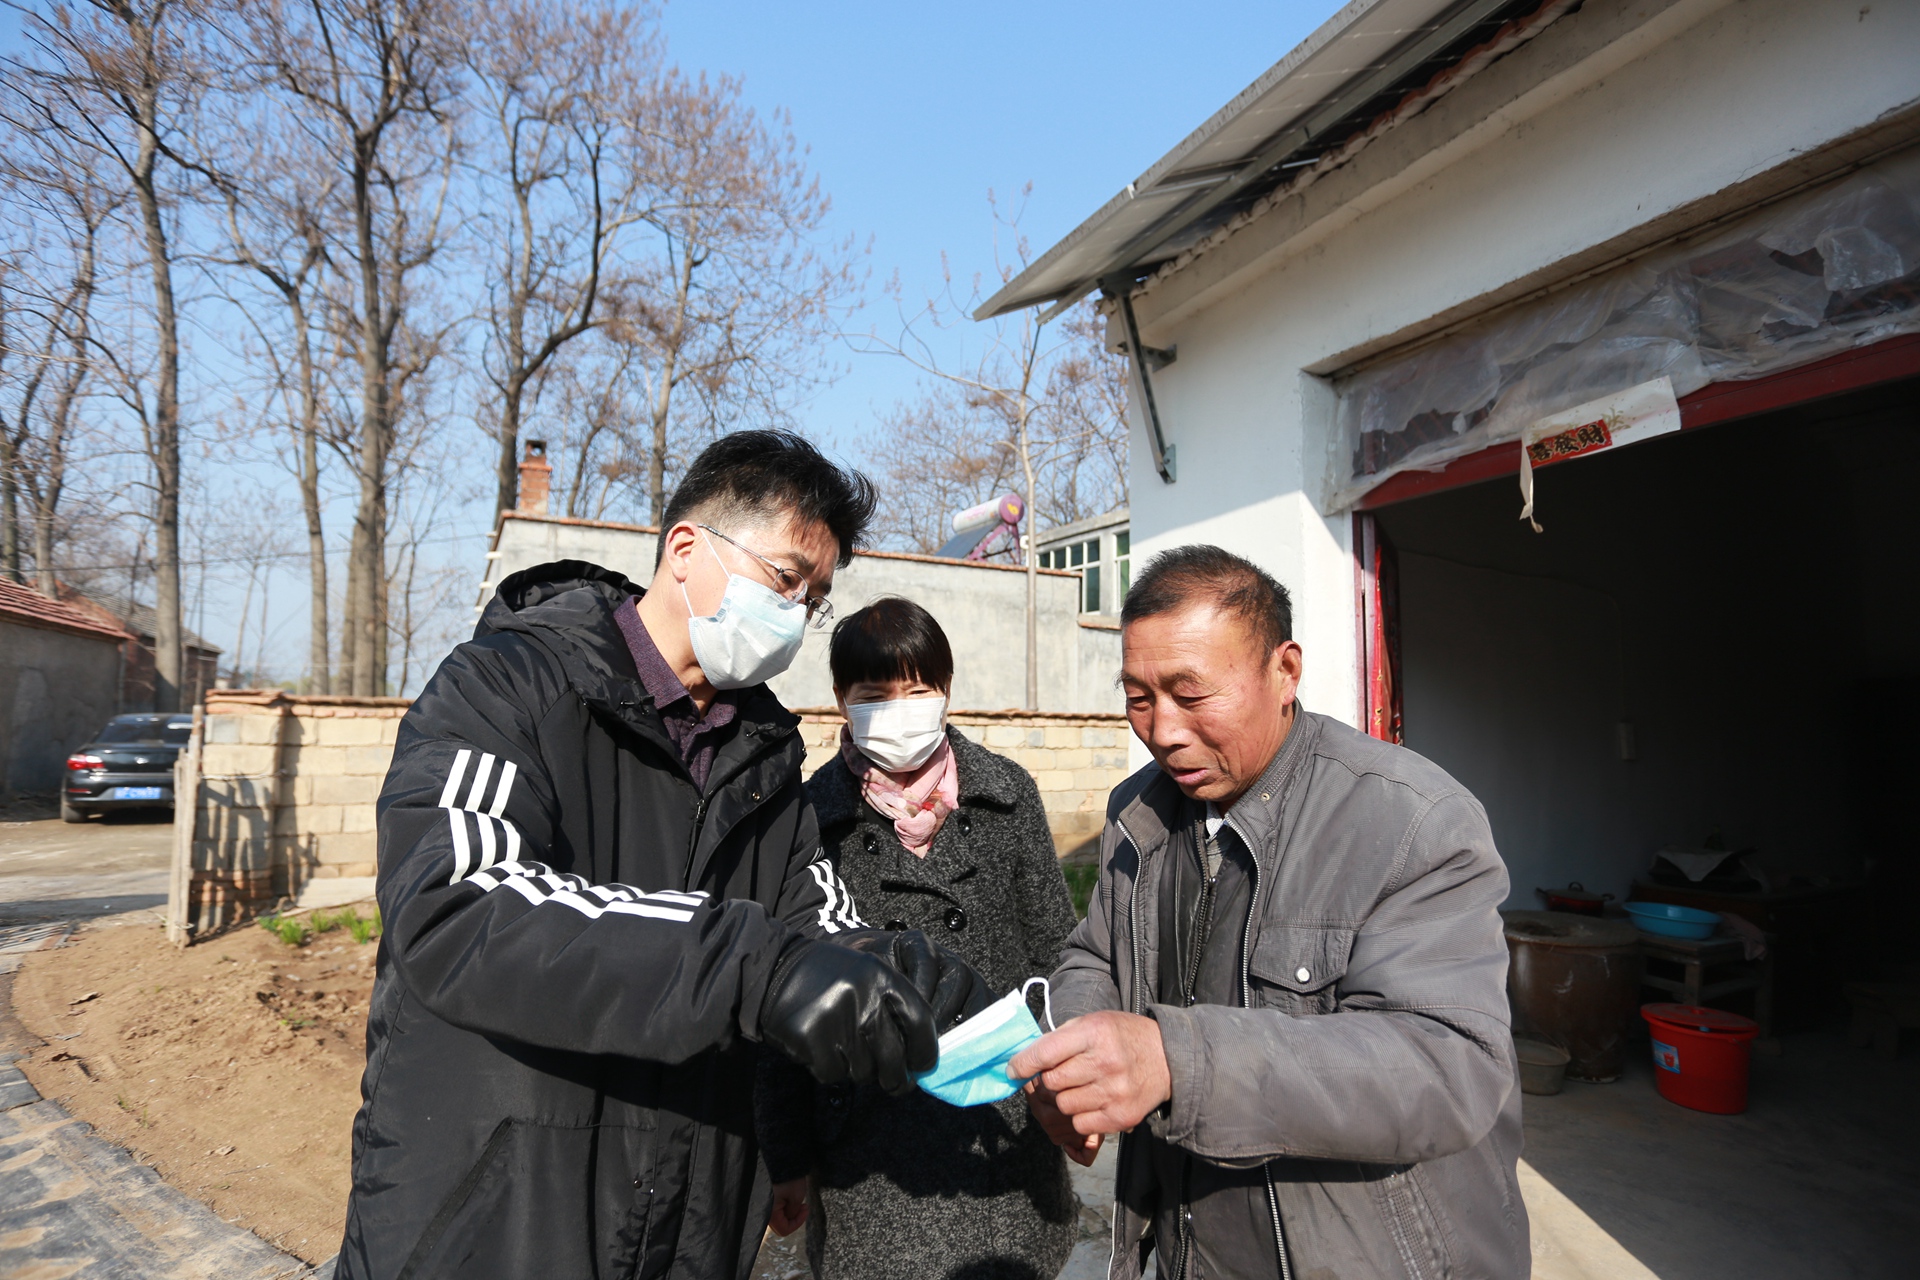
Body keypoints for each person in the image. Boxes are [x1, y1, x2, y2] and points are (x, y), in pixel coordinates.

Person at [338, 432, 987, 1280]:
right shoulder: (504, 686)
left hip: (686, 1225)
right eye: (786, 579)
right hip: (496, 1220)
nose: (796, 616)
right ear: (686, 550)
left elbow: (812, 917)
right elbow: (459, 905)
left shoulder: (764, 759)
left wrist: (891, 965)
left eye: (815, 599)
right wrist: (759, 970)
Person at [1012, 545, 1529, 1280]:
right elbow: (1095, 953)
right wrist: (1077, 1050)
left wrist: (1178, 1061)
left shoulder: (1412, 820)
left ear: (1284, 672)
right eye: (1138, 696)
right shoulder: (1141, 813)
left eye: (1191, 694)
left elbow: (1450, 1068)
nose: (1162, 730)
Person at [754, 597, 1081, 1280]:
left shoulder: (1008, 796)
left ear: (946, 690)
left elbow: (1058, 953)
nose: (899, 711)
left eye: (918, 690)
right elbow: (781, 993)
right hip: (867, 1153)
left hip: (1002, 1130)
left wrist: (1071, 1092)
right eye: (875, 695)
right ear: (841, 700)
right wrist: (785, 1157)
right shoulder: (809, 820)